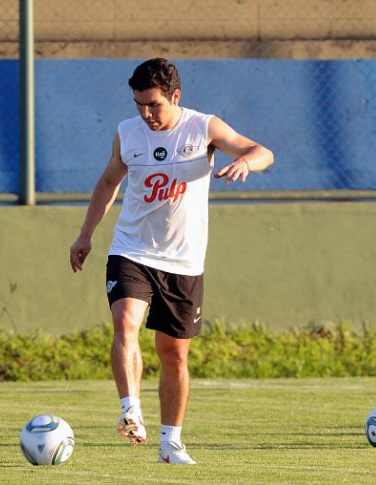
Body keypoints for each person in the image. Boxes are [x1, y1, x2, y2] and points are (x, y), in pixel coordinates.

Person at [68, 58, 274, 464]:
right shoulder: (127, 133)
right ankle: (130, 409)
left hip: (183, 261)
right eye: (139, 104)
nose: (145, 113)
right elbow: (108, 182)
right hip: (132, 249)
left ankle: (170, 445)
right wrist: (86, 234)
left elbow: (262, 151)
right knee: (125, 322)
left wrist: (245, 162)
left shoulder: (203, 127)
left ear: (175, 97)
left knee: (174, 355)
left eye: (154, 105)